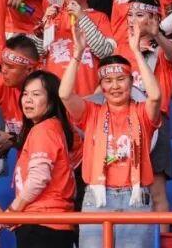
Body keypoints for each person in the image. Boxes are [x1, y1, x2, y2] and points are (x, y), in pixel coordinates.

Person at [60, 28, 162, 248]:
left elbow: (155, 96)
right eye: (108, 81)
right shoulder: (91, 112)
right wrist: (77, 53)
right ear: (101, 86)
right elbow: (65, 94)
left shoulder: (142, 113)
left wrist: (136, 52)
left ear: (131, 82)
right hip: (97, 197)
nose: (115, 86)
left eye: (121, 79)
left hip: (136, 199)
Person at [6, 71, 77, 248]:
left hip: (41, 224)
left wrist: (14, 210)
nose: (28, 100)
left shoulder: (43, 130)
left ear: (52, 101)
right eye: (25, 94)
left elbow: (38, 179)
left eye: (36, 94)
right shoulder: (53, 127)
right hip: (50, 224)